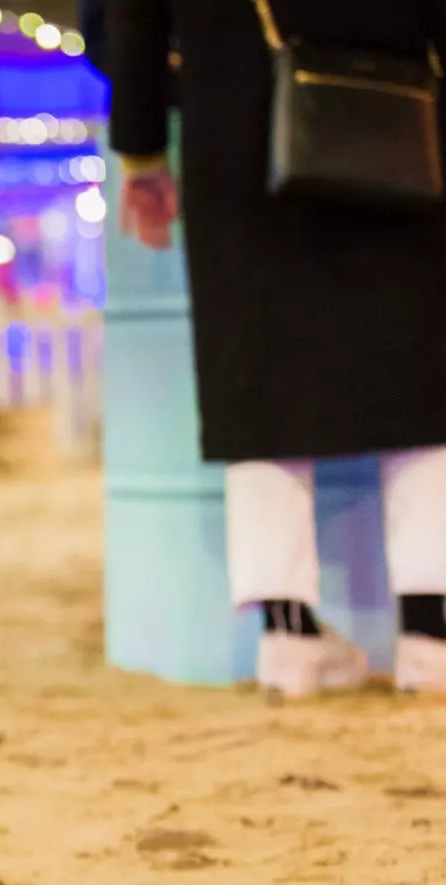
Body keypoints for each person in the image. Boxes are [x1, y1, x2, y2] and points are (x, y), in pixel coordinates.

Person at [105, 0, 446, 696]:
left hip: (239, 121)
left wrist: (140, 148)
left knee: (255, 375)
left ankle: (289, 642)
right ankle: (432, 638)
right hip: (411, 112)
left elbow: (134, 16)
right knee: (423, 376)